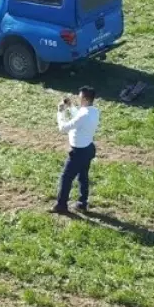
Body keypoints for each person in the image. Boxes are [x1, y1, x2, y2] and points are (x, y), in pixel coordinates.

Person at [51, 86, 100, 214]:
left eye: (79, 97)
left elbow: (63, 128)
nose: (78, 99)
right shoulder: (94, 111)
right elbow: (80, 116)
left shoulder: (83, 115)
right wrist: (71, 106)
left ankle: (61, 205)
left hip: (78, 153)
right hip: (89, 149)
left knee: (66, 178)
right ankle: (82, 203)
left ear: (85, 99)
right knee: (83, 177)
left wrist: (60, 112)